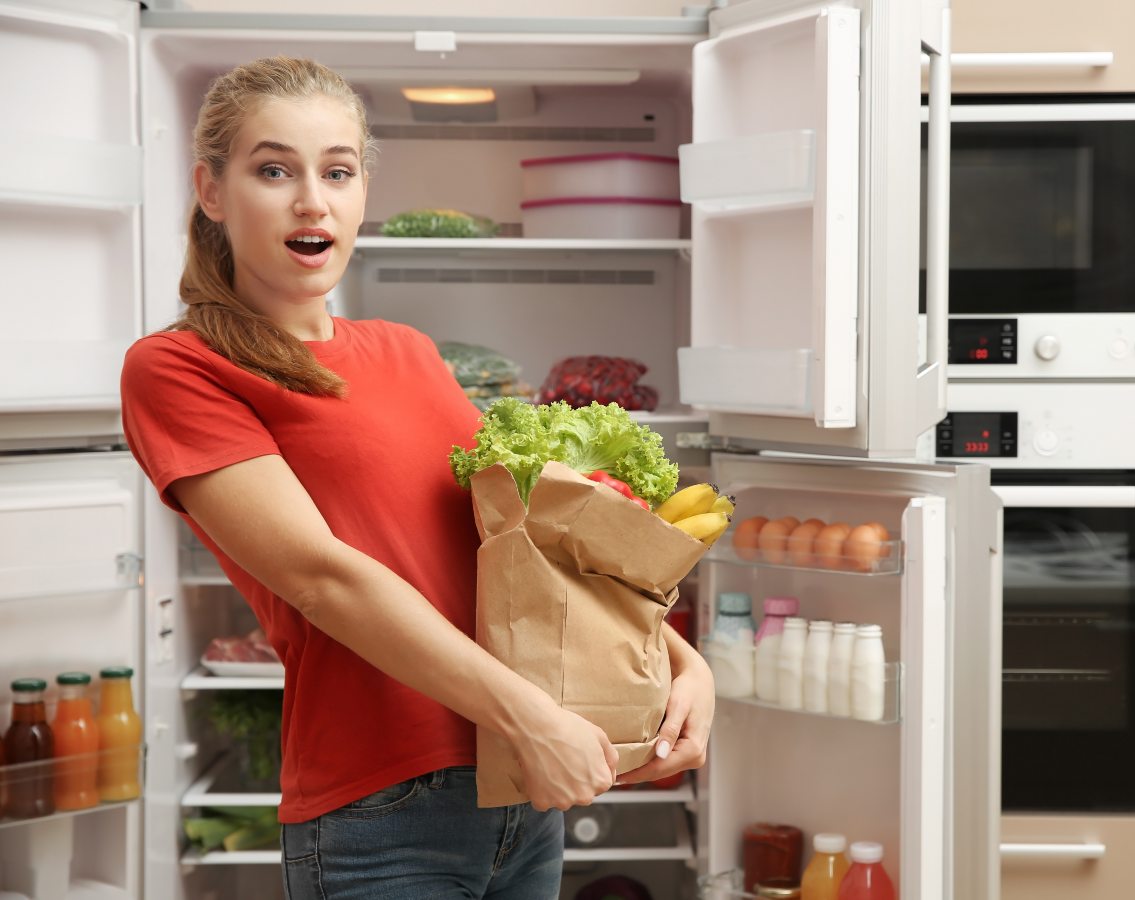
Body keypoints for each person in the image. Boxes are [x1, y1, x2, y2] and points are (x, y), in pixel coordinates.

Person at [119, 56, 715, 899]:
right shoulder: (178, 368)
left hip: (521, 786)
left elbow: (531, 548)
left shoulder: (408, 351)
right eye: (273, 170)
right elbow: (322, 577)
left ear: (362, 192)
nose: (311, 201)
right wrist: (529, 714)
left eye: (338, 171)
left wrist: (683, 663)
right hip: (381, 813)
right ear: (212, 192)